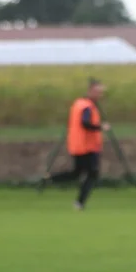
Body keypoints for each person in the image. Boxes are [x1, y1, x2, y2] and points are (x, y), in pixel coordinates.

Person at [45, 78, 110, 210]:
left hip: (77, 145)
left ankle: (50, 178)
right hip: (88, 146)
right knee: (92, 174)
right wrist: (100, 127)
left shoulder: (78, 104)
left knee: (77, 173)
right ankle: (79, 203)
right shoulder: (87, 107)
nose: (100, 95)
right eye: (98, 92)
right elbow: (85, 123)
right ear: (91, 91)